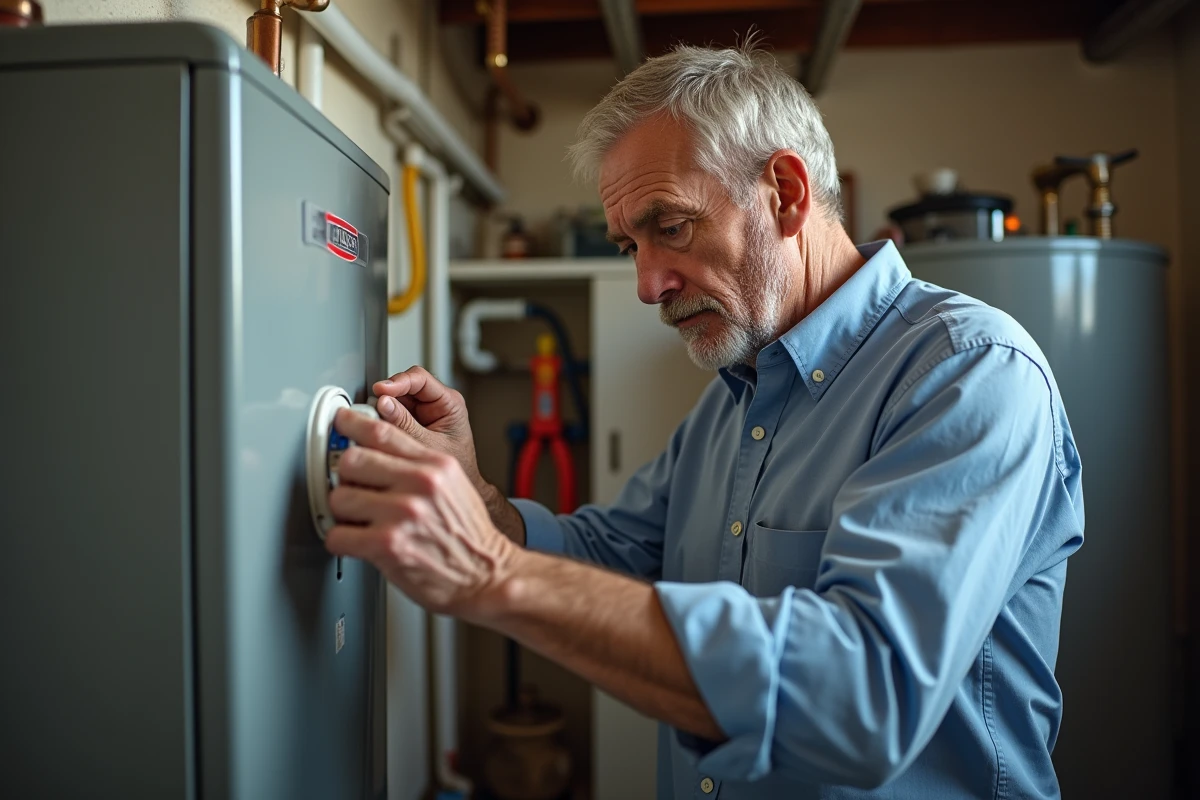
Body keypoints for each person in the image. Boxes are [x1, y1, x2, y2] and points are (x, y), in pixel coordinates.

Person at [323, 39, 1084, 799]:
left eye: (672, 226)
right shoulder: (735, 398)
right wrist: (483, 506)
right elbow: (618, 551)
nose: (648, 285)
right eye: (629, 245)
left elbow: (864, 698)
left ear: (785, 193)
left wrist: (492, 573)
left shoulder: (968, 372)